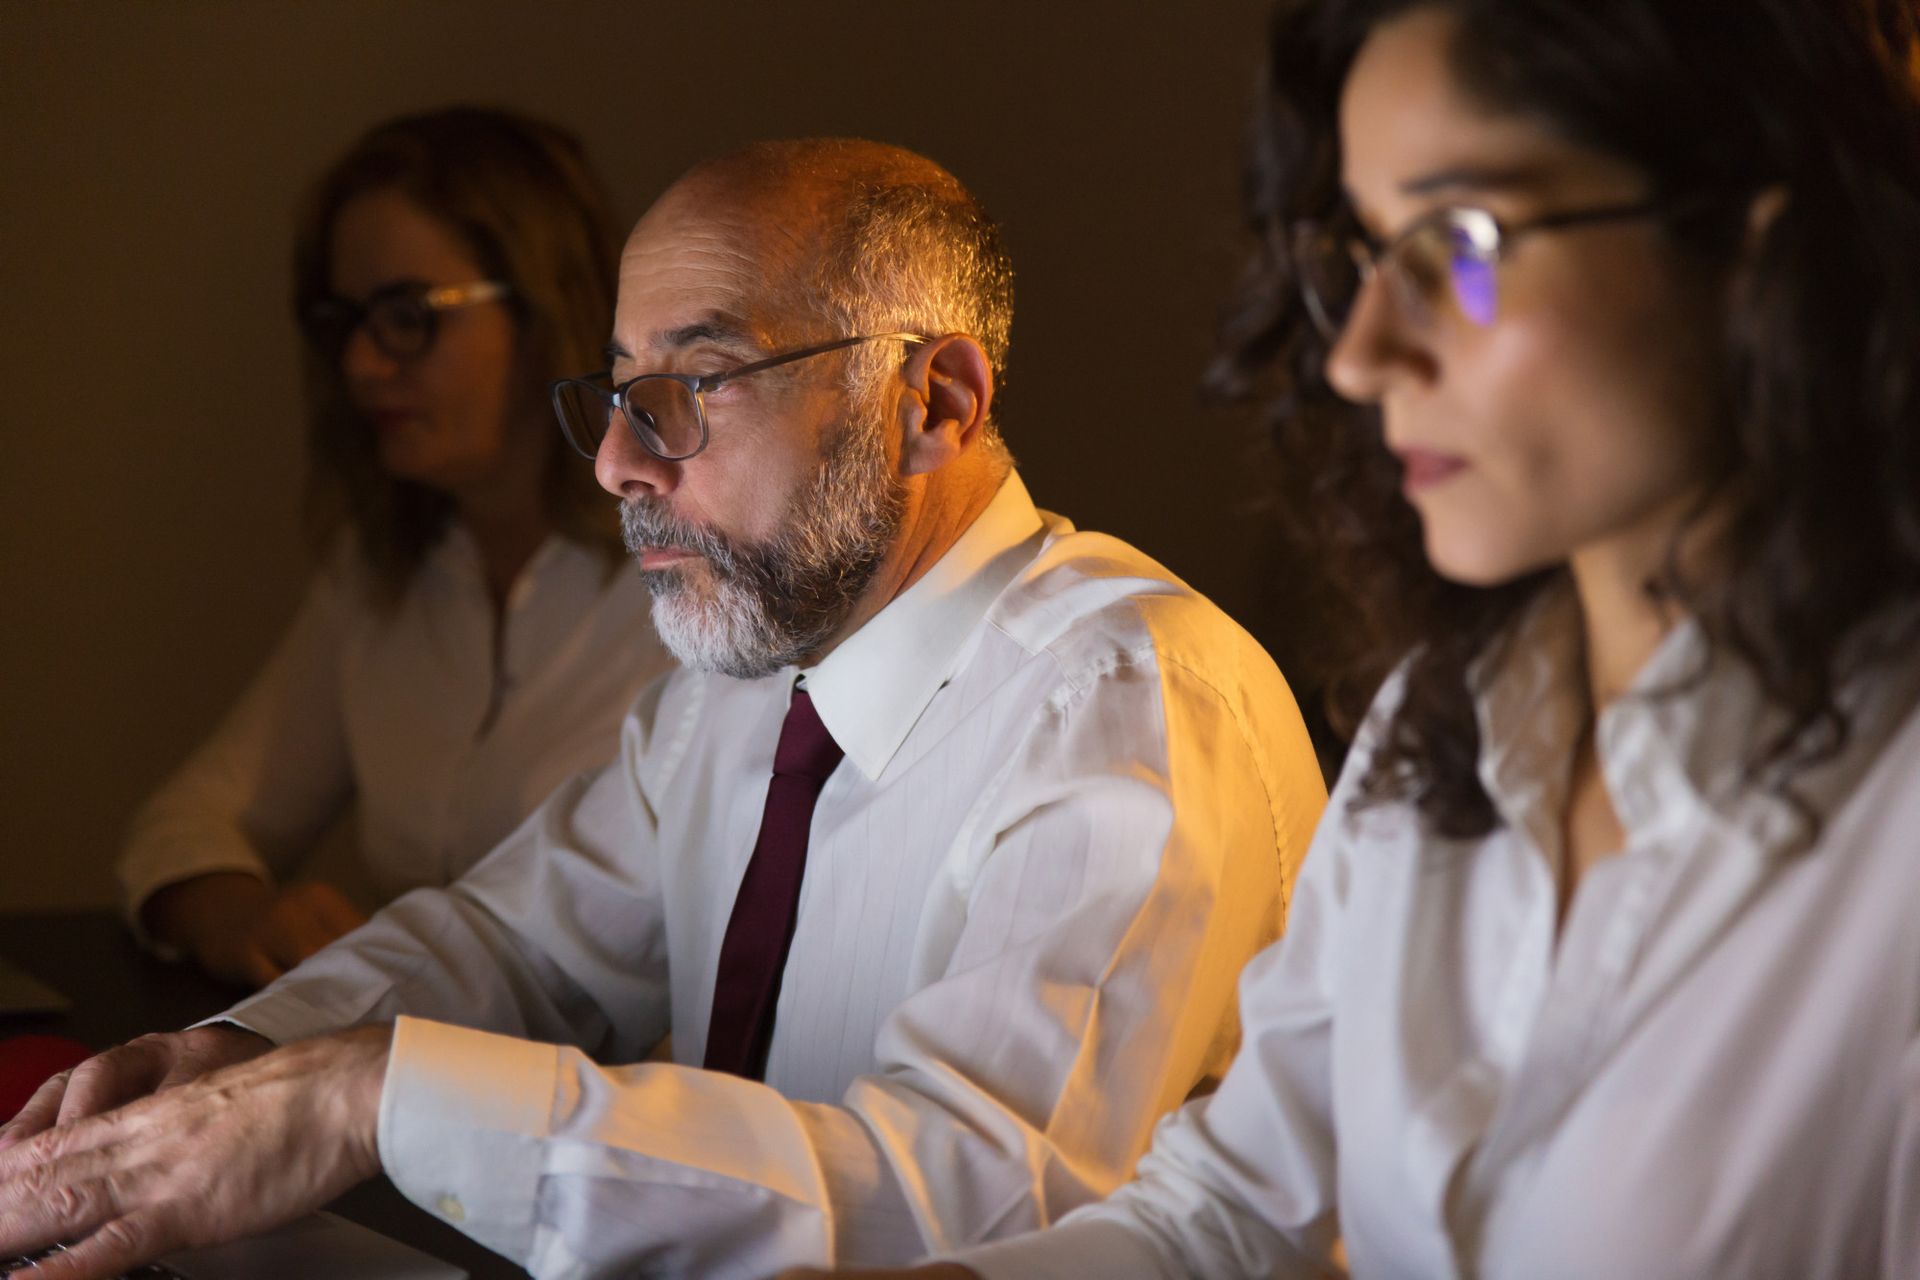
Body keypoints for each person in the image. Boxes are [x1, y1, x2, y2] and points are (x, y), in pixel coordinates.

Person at [0, 139, 1327, 1278]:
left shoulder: (1130, 702)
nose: (622, 462)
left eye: (694, 386)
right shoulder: (747, 674)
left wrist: (377, 1099)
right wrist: (239, 1058)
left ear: (934, 402)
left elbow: (977, 1198)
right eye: (623, 393)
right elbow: (516, 946)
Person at [775, 1, 1920, 1278]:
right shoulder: (1454, 709)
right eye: (1369, 252)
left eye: (1465, 239)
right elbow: (1220, 1216)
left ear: (1765, 243)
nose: (1365, 354)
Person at [116, 107, 672, 988]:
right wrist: (245, 915)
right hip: (395, 1074)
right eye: (345, 321)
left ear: (540, 312)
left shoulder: (684, 581)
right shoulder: (384, 579)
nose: (364, 366)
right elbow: (184, 822)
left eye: (408, 315)